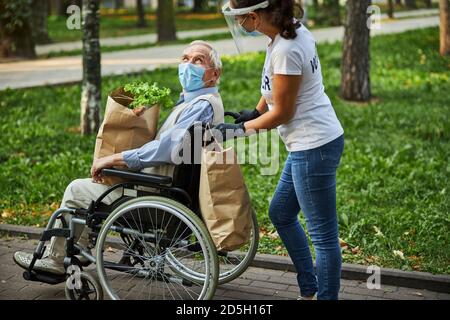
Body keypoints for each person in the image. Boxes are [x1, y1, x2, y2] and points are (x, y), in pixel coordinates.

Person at [13, 40, 225, 275]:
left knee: (76, 190)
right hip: (166, 186)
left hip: (155, 191)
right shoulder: (201, 103)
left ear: (214, 74)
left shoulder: (199, 106)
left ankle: (55, 261)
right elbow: (170, 143)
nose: (188, 66)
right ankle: (78, 247)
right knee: (97, 183)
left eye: (198, 60)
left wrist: (113, 159)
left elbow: (167, 149)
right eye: (184, 59)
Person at [214, 0, 345, 300]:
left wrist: (241, 130)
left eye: (241, 18)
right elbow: (274, 90)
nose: (240, 24)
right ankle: (309, 289)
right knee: (281, 213)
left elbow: (283, 113)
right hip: (311, 143)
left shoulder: (287, 49)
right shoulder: (286, 34)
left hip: (314, 146)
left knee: (324, 238)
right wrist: (254, 111)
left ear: (255, 16)